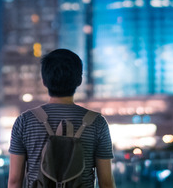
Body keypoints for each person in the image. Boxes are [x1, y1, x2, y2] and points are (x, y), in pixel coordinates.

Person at [8, 48, 116, 188]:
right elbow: (106, 183)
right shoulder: (97, 123)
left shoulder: (24, 122)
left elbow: (15, 180)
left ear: (44, 81)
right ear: (79, 80)